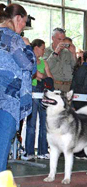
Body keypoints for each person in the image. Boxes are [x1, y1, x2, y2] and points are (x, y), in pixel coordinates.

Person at [0, 3, 37, 171]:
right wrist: (28, 46)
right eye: (24, 22)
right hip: (8, 100)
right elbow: (30, 66)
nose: (23, 27)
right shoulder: (13, 39)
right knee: (2, 146)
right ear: (17, 18)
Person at [22, 39, 53, 161]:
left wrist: (43, 77)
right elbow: (35, 74)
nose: (44, 50)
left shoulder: (43, 62)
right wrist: (42, 77)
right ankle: (28, 151)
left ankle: (43, 150)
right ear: (36, 48)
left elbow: (49, 77)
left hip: (42, 93)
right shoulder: (29, 59)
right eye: (42, 48)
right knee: (31, 123)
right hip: (32, 92)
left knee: (44, 123)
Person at [43, 28, 76, 92]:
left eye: (63, 39)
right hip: (54, 85)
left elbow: (74, 67)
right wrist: (55, 53)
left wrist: (73, 53)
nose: (61, 42)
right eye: (59, 39)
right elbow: (46, 68)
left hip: (67, 86)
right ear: (53, 38)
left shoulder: (67, 52)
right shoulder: (45, 51)